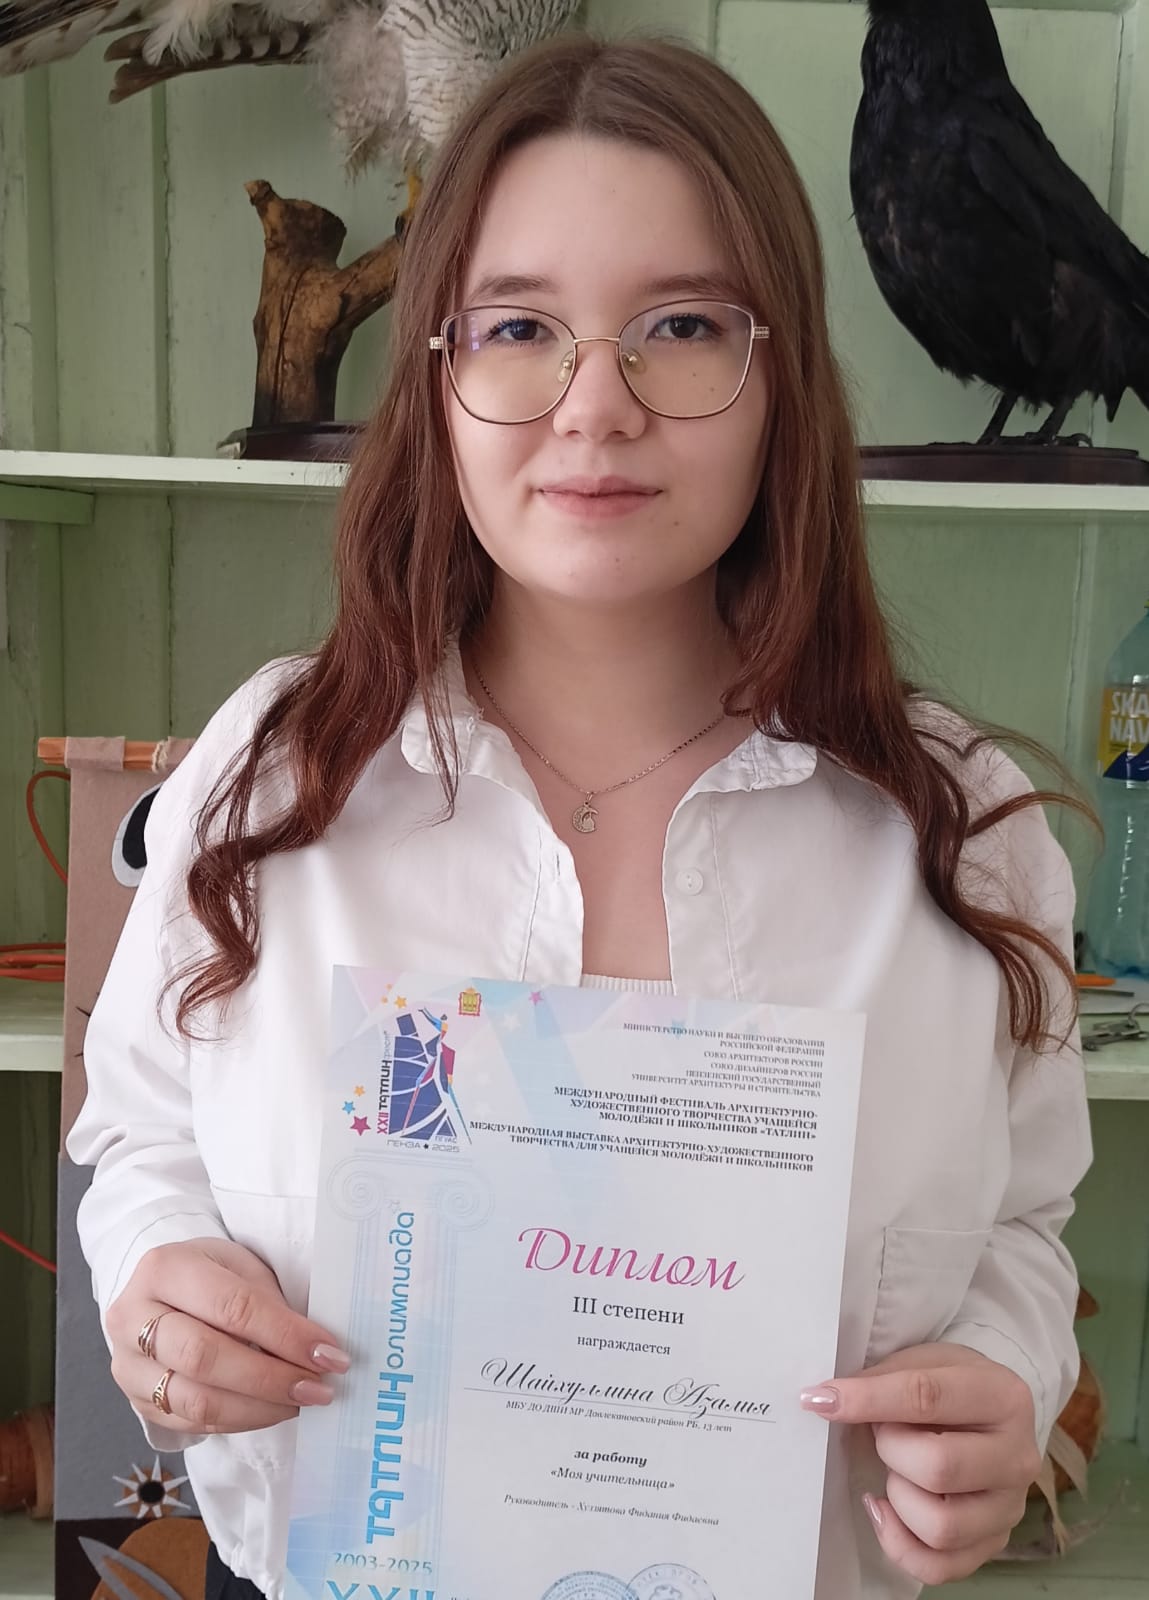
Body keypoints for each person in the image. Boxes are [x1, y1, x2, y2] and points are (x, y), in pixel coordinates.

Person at [67, 30, 1093, 1600]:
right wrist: (156, 1286)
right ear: (438, 375)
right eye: (517, 328)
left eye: (680, 325)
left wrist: (1007, 1378)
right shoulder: (267, 777)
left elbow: (1022, 1221)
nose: (594, 405)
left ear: (780, 374)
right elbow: (140, 1133)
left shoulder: (958, 827)